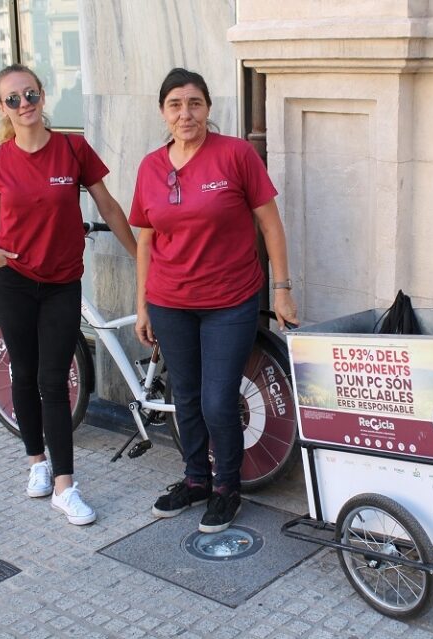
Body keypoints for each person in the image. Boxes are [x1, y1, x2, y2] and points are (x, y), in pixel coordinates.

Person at [130, 68, 298, 533]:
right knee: (185, 395)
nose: (186, 114)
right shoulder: (150, 167)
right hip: (170, 302)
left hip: (229, 300)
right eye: (175, 105)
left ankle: (227, 487)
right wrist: (143, 304)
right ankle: (196, 480)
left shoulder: (235, 155)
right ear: (163, 112)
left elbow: (270, 224)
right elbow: (145, 241)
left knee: (218, 400)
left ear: (208, 108)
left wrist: (282, 289)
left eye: (195, 103)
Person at [0, 64, 136, 525]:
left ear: (43, 96)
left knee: (54, 379)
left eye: (30, 94)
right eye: (13, 99)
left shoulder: (72, 149)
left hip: (62, 283)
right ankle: (37, 463)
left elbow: (108, 205)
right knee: (24, 375)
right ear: (2, 107)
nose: (24, 104)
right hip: (13, 281)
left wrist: (140, 255)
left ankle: (66, 487)